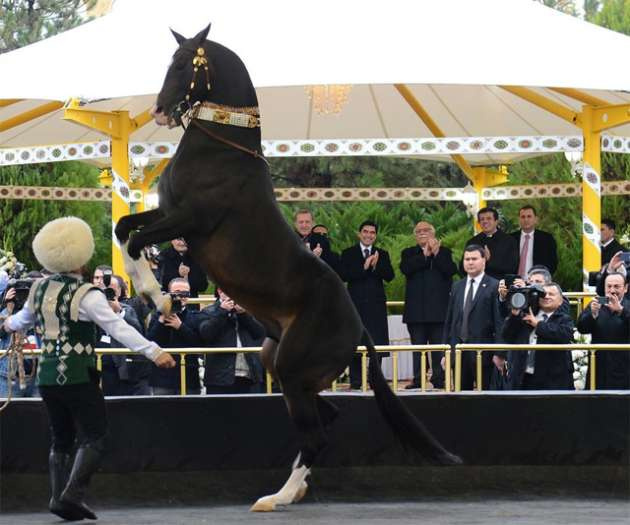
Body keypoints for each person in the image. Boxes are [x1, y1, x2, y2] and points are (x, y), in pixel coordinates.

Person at [3, 216, 175, 521]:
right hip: (77, 374)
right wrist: (154, 351)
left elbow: (17, 323)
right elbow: (117, 327)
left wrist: (7, 320)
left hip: (46, 376)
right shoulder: (88, 295)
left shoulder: (39, 291)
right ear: (80, 259)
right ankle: (72, 494)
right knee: (96, 435)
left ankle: (58, 497)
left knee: (61, 437)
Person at [400, 221, 456, 389]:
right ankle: (418, 379)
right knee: (418, 349)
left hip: (439, 311)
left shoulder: (444, 252)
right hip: (416, 312)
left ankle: (439, 378)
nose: (422, 233)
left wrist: (436, 252)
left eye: (426, 230)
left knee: (439, 348)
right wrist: (425, 254)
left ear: (433, 233)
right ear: (415, 235)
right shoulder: (409, 253)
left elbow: (450, 270)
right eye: (419, 231)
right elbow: (406, 269)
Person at [340, 221, 395, 389]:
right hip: (355, 305)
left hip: (376, 306)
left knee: (376, 342)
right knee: (355, 340)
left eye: (372, 232)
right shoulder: (348, 253)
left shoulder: (382, 254)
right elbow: (344, 275)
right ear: (359, 233)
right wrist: (364, 267)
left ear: (375, 236)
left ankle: (375, 378)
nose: (368, 235)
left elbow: (390, 276)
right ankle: (356, 379)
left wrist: (376, 265)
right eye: (365, 231)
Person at [443, 244, 504, 391]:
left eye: (474, 259)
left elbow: (499, 322)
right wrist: (445, 351)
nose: (470, 262)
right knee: (461, 397)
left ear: (484, 261)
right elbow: (450, 321)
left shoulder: (494, 285)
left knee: (487, 397)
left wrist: (500, 353)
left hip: (484, 353)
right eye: (467, 259)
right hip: (458, 353)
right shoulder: (457, 286)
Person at [502, 283, 575, 390]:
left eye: (551, 294)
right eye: (543, 294)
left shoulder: (564, 319)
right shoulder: (526, 314)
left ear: (560, 301)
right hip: (523, 376)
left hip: (551, 379)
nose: (546, 296)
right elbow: (507, 336)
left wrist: (538, 324)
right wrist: (514, 316)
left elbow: (564, 334)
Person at [198, 288, 266, 394]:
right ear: (220, 292)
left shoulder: (248, 310)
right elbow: (206, 334)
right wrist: (222, 311)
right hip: (219, 378)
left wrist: (243, 314)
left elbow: (259, 333)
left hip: (249, 375)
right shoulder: (208, 311)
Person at [97, 275, 152, 396]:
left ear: (120, 291)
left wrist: (118, 312)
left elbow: (136, 330)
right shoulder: (92, 310)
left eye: (112, 288)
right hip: (101, 368)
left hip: (125, 370)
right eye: (104, 288)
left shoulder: (127, 309)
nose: (108, 292)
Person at [147, 277, 203, 395]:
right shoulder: (157, 315)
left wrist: (180, 327)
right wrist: (161, 320)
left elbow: (199, 344)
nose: (181, 297)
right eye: (177, 293)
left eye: (185, 293)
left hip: (188, 377)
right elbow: (150, 341)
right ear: (168, 294)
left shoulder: (195, 316)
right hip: (162, 378)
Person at [577, 272, 630, 389]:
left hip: (625, 365)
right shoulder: (595, 304)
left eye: (616, 286)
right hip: (599, 366)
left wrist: (621, 310)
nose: (612, 290)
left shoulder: (627, 305)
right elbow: (581, 328)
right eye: (609, 286)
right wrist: (593, 314)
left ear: (625, 288)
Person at [461, 207, 519, 281]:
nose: (485, 221)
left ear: (496, 221)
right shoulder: (472, 242)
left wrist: (489, 261)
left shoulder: (509, 241)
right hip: (477, 285)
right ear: (479, 222)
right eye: (482, 219)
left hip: (500, 285)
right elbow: (462, 268)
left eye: (489, 218)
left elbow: (512, 267)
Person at [510, 205, 558, 277]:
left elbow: (553, 263)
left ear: (535, 219)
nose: (526, 220)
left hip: (538, 283)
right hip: (514, 283)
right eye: (523, 217)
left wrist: (542, 278)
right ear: (519, 219)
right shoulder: (511, 238)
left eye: (529, 216)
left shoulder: (547, 239)